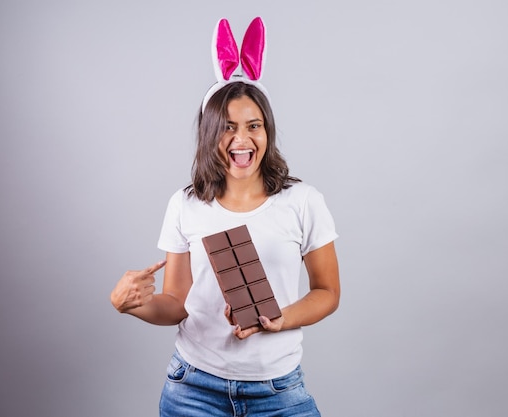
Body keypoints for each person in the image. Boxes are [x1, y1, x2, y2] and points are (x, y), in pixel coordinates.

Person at [110, 17, 340, 417]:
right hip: (193, 389)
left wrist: (279, 318)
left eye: (254, 126)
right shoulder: (185, 204)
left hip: (278, 390)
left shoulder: (303, 201)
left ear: (267, 132)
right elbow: (176, 304)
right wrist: (132, 305)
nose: (241, 140)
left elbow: (327, 292)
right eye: (227, 128)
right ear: (209, 133)